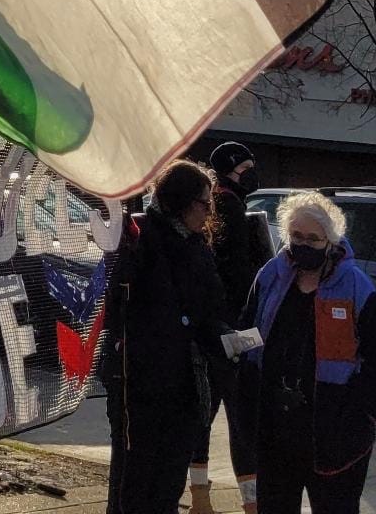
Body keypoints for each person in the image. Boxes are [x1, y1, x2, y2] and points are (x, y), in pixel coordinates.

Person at [235, 191, 376, 514]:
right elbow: (247, 337)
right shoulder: (270, 277)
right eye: (296, 236)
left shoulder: (356, 287)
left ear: (330, 241)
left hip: (335, 437)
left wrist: (360, 411)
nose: (303, 244)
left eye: (313, 238)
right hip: (275, 432)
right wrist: (245, 398)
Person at [103, 159, 234, 514]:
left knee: (168, 483)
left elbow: (209, 310)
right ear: (179, 200)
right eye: (203, 204)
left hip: (185, 386)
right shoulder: (139, 238)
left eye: (211, 205)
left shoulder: (197, 247)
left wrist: (227, 339)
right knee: (135, 483)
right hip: (141, 384)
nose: (209, 213)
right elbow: (118, 308)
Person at [189, 143, 271, 514]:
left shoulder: (212, 203)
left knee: (204, 416)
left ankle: (200, 498)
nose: (252, 173)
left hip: (209, 329)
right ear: (231, 169)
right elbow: (238, 271)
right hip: (233, 330)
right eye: (247, 167)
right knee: (242, 420)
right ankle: (251, 504)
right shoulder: (231, 206)